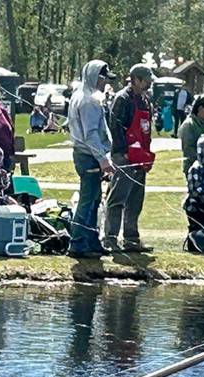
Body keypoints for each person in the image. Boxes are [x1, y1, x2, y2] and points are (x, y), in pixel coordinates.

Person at [66, 59, 115, 258]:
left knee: (95, 199)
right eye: (104, 78)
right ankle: (77, 243)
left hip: (84, 154)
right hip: (88, 156)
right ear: (96, 77)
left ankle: (92, 241)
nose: (105, 83)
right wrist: (103, 159)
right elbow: (91, 134)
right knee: (88, 200)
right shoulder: (89, 101)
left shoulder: (80, 95)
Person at [105, 63, 156, 253]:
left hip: (141, 156)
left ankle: (131, 239)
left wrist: (146, 153)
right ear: (135, 79)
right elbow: (115, 127)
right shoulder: (122, 99)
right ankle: (110, 238)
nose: (149, 84)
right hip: (124, 156)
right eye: (146, 81)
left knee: (136, 198)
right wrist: (123, 152)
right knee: (118, 197)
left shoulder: (145, 100)